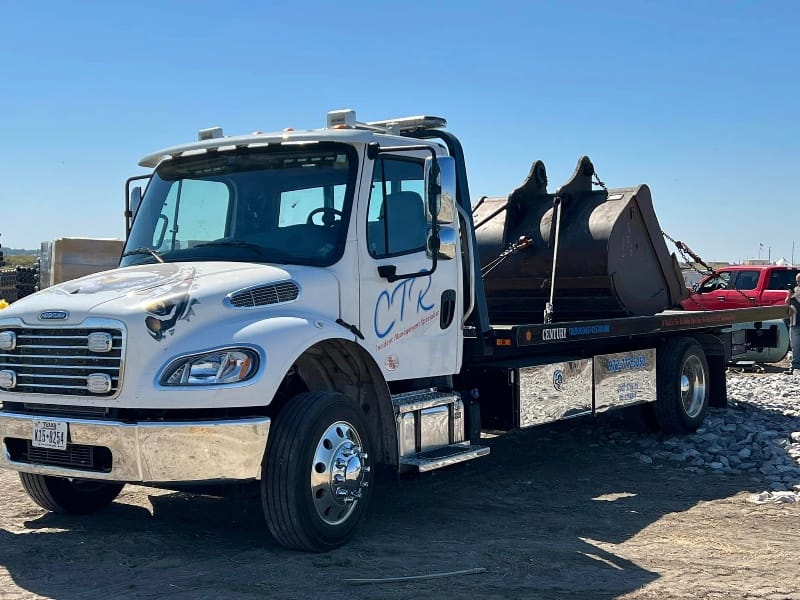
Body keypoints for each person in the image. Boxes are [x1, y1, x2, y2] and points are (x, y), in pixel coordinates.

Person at [787, 272, 800, 376]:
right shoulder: (793, 291)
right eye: (798, 281)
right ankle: (795, 366)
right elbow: (786, 304)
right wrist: (789, 295)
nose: (799, 283)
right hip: (795, 322)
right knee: (795, 346)